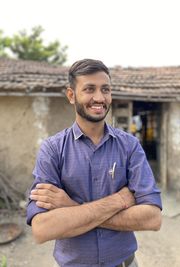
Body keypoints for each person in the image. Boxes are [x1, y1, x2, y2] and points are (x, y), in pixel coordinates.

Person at [27, 59, 162, 267]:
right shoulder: (52, 150)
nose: (99, 98)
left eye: (105, 89)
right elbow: (42, 229)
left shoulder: (129, 146)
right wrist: (119, 200)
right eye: (90, 89)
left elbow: (152, 218)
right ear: (71, 95)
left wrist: (71, 207)